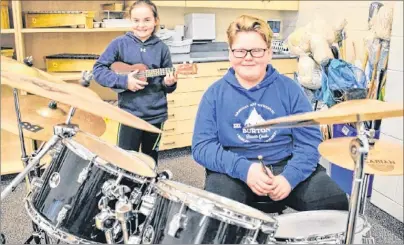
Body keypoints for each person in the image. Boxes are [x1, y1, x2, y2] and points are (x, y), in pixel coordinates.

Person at [192, 15, 349, 212]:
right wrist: (245, 169)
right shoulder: (214, 94)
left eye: (257, 51)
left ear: (269, 53)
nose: (248, 57)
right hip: (234, 168)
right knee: (217, 210)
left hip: (286, 164)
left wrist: (289, 178)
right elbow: (202, 147)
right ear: (230, 54)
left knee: (334, 201)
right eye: (240, 51)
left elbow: (309, 142)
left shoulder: (291, 90)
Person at [93, 0, 177, 164]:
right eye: (136, 20)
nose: (141, 25)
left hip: (155, 116)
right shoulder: (119, 44)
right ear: (130, 20)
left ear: (155, 21)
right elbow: (98, 70)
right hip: (129, 115)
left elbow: (168, 86)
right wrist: (124, 81)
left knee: (149, 161)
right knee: (126, 161)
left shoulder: (162, 48)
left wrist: (170, 83)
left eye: (147, 20)